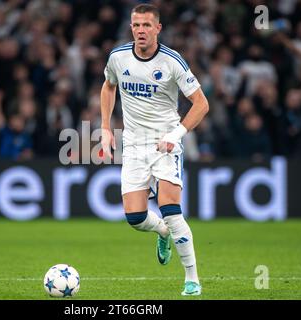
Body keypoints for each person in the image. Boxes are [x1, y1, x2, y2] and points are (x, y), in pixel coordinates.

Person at [100, 4, 209, 296]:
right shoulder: (118, 57)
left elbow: (201, 103)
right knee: (135, 218)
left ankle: (192, 279)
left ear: (158, 28)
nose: (140, 31)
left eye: (147, 25)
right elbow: (108, 86)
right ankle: (162, 233)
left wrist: (177, 134)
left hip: (165, 143)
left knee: (171, 211)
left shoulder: (172, 61)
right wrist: (106, 128)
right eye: (136, 25)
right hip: (134, 145)